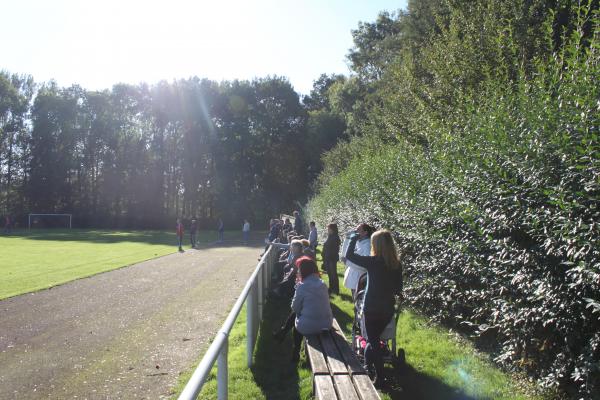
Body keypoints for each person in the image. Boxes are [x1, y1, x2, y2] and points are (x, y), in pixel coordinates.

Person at [345, 228, 403, 388]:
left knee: (373, 342)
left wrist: (353, 237)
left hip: (371, 308)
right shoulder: (397, 265)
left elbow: (349, 256)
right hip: (387, 310)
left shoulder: (373, 262)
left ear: (376, 245)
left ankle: (380, 377)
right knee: (374, 340)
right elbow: (398, 288)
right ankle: (368, 366)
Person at [272, 256, 333, 362]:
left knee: (298, 318)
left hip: (310, 326)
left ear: (304, 271)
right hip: (326, 324)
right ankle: (282, 333)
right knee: (301, 315)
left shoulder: (303, 286)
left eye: (299, 269)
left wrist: (297, 289)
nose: (298, 271)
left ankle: (295, 349)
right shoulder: (323, 284)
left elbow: (294, 307)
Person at [342, 224, 375, 295]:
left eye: (358, 230)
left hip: (360, 280)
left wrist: (347, 262)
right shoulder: (358, 243)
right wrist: (347, 239)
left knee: (360, 304)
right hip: (354, 279)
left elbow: (365, 266)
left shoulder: (367, 245)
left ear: (365, 232)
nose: (355, 232)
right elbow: (344, 256)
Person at [322, 223, 342, 295]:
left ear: (333, 229)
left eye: (329, 229)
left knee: (333, 274)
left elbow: (335, 250)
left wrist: (329, 257)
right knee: (330, 274)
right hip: (327, 258)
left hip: (331, 259)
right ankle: (331, 288)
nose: (328, 230)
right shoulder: (330, 236)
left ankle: (336, 290)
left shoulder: (336, 237)